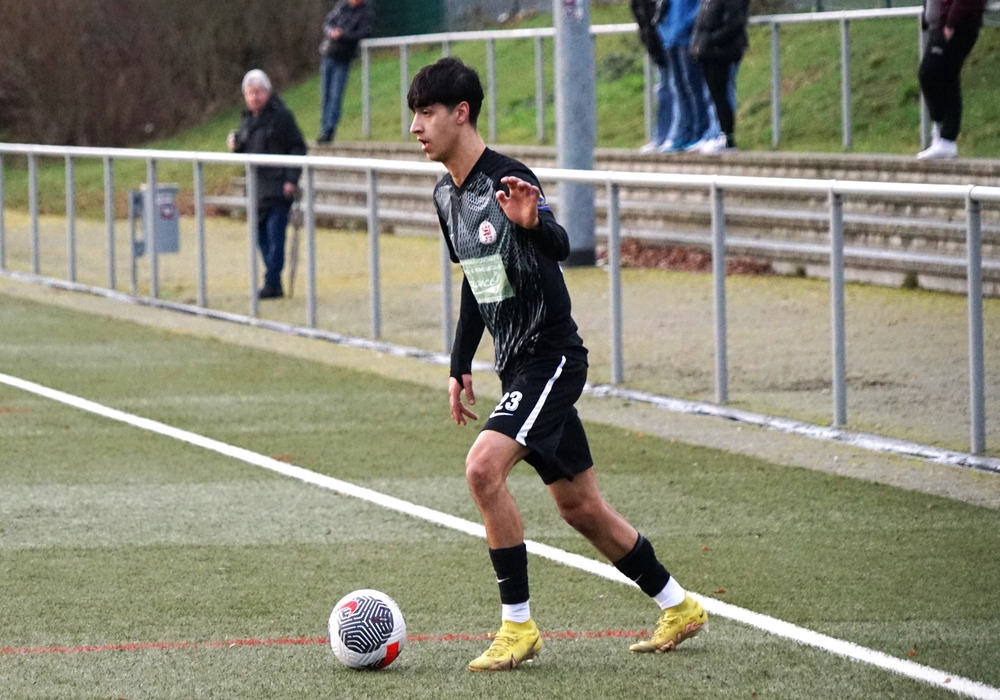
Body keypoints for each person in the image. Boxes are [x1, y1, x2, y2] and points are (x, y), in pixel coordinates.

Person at [408, 57, 707, 672]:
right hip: (515, 367)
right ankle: (679, 606)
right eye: (414, 114)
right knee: (580, 507)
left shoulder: (510, 179)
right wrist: (459, 362)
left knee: (482, 469)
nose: (416, 127)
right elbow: (477, 279)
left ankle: (518, 626)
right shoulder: (445, 195)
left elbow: (560, 242)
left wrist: (532, 224)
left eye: (426, 113)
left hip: (551, 357)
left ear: (461, 114)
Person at [228, 69, 307, 300]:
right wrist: (235, 144)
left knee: (275, 238)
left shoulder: (281, 117)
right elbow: (246, 147)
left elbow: (298, 147)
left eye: (258, 92)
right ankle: (274, 282)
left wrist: (291, 179)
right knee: (261, 239)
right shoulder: (247, 120)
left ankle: (271, 282)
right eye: (250, 93)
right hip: (256, 190)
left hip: (278, 189)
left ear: (267, 92)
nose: (254, 97)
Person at [916, 0, 987, 159]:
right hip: (941, 25)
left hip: (956, 25)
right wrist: (927, 16)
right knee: (941, 77)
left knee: (933, 74)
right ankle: (943, 135)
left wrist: (952, 23)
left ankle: (945, 137)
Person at [689, 0, 750, 153]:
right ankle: (716, 134)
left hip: (721, 52)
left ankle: (726, 137)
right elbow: (701, 23)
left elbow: (734, 24)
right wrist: (698, 44)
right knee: (714, 96)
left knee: (722, 95)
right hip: (708, 52)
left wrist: (710, 40)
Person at [317, 0, 376, 144]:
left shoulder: (366, 11)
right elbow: (328, 22)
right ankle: (323, 128)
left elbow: (363, 32)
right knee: (325, 95)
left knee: (335, 96)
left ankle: (329, 130)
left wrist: (343, 35)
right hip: (329, 54)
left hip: (343, 58)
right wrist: (332, 31)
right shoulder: (342, 7)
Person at [631, 0, 673, 154]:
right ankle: (662, 136)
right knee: (664, 90)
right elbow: (643, 19)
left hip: (673, 40)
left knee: (675, 89)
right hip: (659, 43)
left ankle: (671, 136)